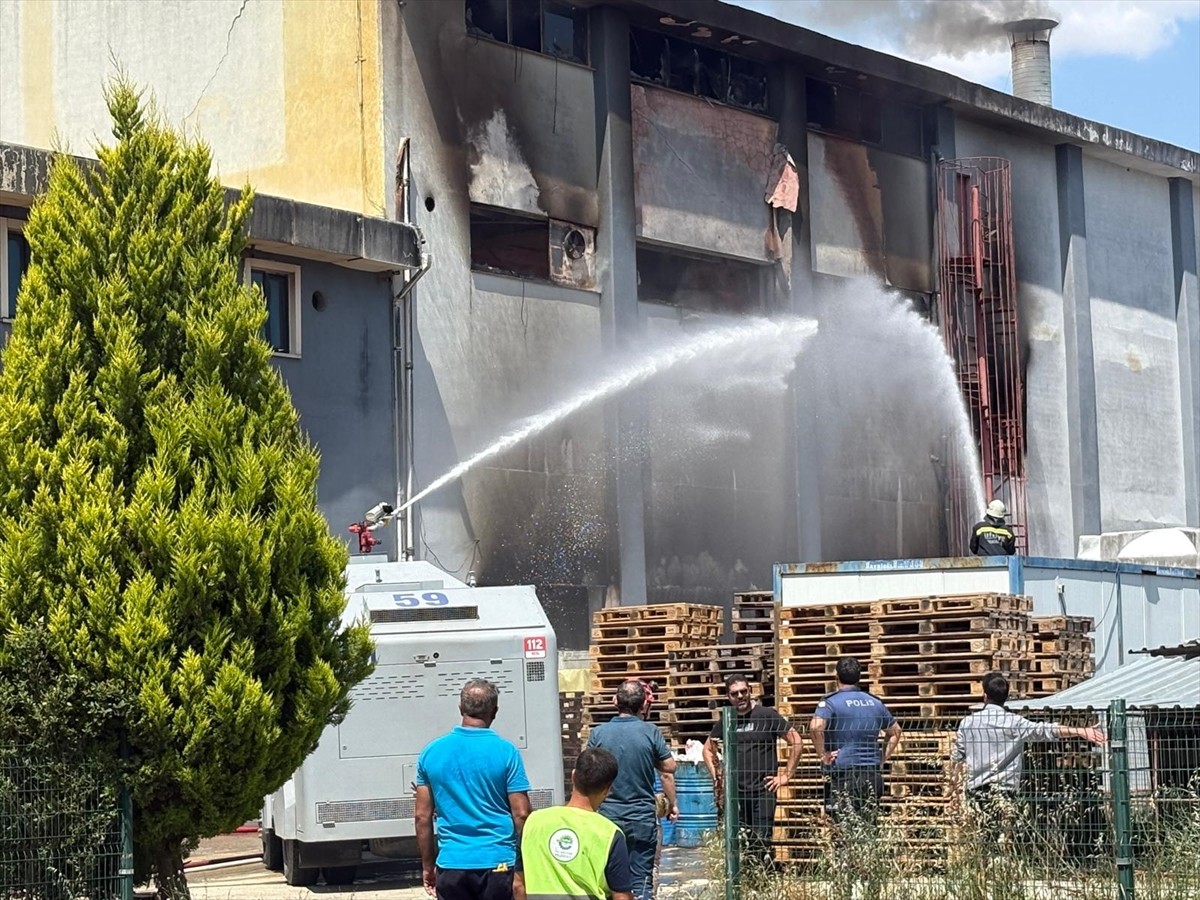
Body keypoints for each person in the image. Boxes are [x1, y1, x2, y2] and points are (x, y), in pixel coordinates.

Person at [951, 672, 1106, 843]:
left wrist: (954, 789)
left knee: (980, 841)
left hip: (976, 790)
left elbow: (957, 756)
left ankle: (983, 869)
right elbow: (1046, 730)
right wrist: (1080, 731)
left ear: (984, 695)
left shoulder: (968, 723)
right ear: (1006, 697)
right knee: (1004, 842)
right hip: (1005, 792)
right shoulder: (1015, 723)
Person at [415, 679, 532, 900]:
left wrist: (428, 865)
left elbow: (422, 816)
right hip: (498, 861)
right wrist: (525, 862)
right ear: (495, 711)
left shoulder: (431, 752)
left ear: (460, 708)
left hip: (452, 862)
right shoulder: (507, 752)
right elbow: (522, 814)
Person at [585, 680, 677, 900]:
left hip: (607, 819)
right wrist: (672, 805)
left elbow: (587, 770)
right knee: (641, 880)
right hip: (642, 819)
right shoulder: (650, 732)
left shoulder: (598, 734)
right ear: (643, 704)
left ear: (615, 701)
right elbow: (669, 769)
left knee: (610, 881)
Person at [702, 674, 803, 868]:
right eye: (734, 694)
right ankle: (748, 880)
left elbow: (796, 741)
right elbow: (707, 749)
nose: (740, 696)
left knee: (761, 838)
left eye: (743, 692)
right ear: (728, 697)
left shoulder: (767, 715)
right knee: (743, 839)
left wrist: (786, 775)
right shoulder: (728, 719)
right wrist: (717, 778)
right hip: (737, 793)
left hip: (763, 789)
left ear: (750, 691)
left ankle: (761, 882)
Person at [514, 747, 633, 900]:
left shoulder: (533, 822)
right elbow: (622, 897)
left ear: (573, 776)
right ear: (608, 789)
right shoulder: (610, 834)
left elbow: (517, 885)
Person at [808, 657, 902, 827]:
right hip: (872, 774)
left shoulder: (830, 702)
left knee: (842, 829)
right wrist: (881, 758)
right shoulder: (874, 702)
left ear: (836, 677)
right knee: (868, 826)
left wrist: (823, 755)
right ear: (859, 678)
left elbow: (815, 727)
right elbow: (896, 731)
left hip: (843, 773)